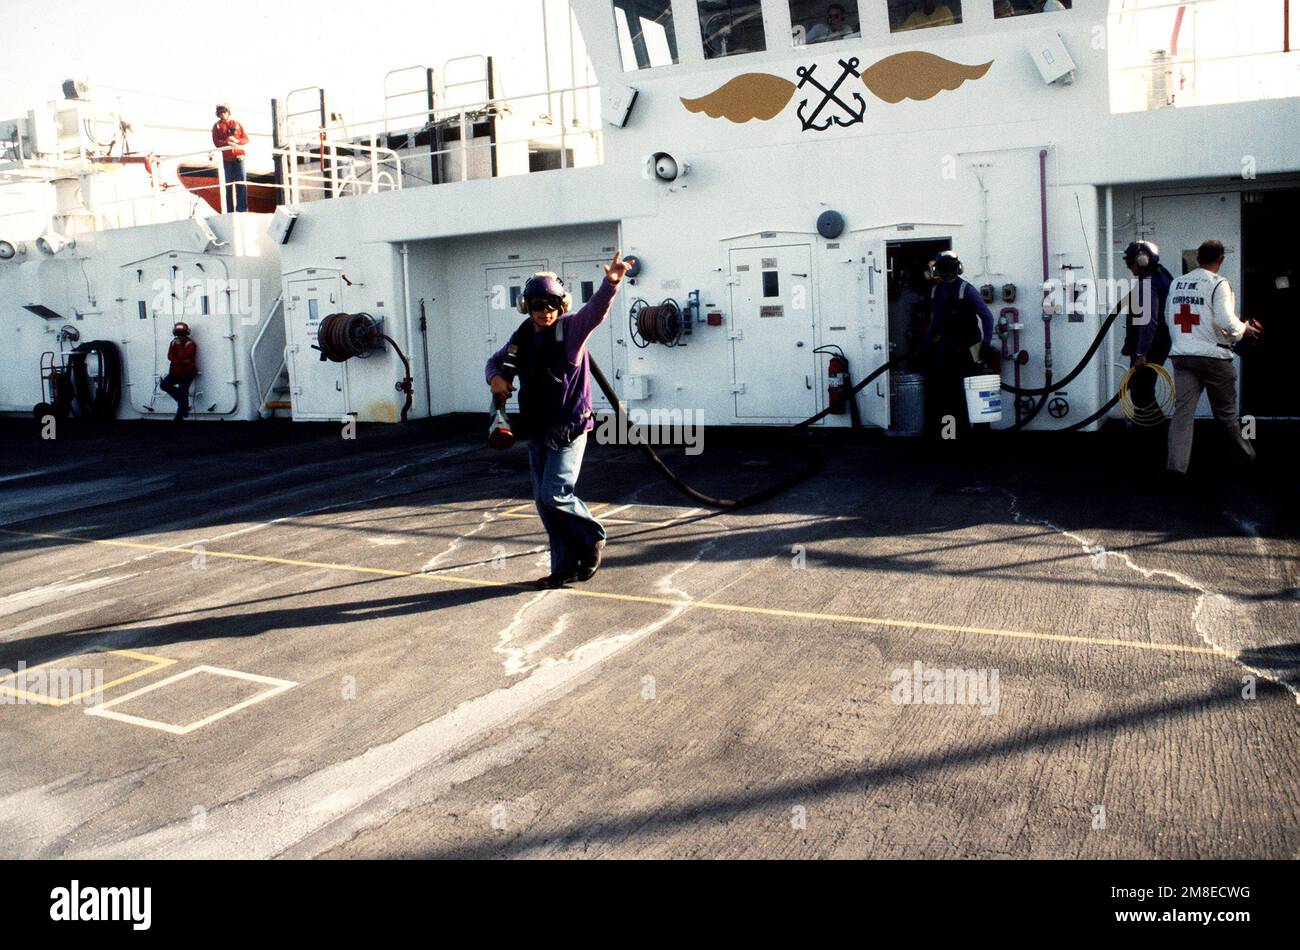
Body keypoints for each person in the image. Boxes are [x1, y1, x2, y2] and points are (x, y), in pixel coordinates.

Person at [486, 250, 631, 589]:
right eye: (537, 305)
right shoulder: (520, 339)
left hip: (570, 429)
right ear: (527, 307)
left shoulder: (572, 332)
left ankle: (593, 537)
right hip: (537, 431)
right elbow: (494, 362)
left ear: (561, 306)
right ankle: (564, 567)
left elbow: (595, 311)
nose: (544, 312)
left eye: (551, 305)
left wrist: (611, 283)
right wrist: (495, 378)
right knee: (543, 503)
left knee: (555, 493)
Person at [1157, 239, 1261, 476]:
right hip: (1214, 357)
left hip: (1182, 356)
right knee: (1226, 413)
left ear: (1197, 258)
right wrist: (1244, 329)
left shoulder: (1177, 283)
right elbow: (1226, 321)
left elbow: (1167, 316)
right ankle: (1248, 456)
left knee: (1182, 414)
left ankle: (1176, 468)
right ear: (1221, 259)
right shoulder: (1218, 283)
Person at [920, 251, 995, 440]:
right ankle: (951, 437)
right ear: (937, 270)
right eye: (943, 269)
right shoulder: (936, 291)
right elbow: (936, 320)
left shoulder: (966, 289)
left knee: (975, 394)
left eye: (951, 268)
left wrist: (985, 344)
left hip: (972, 348)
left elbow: (987, 317)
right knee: (948, 395)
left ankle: (979, 439)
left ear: (957, 268)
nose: (947, 273)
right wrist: (926, 343)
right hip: (947, 348)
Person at [1122, 240, 1174, 419]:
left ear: (1142, 260)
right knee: (1144, 392)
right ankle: (1152, 436)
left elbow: (1148, 321)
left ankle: (1152, 437)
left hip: (1149, 346)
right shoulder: (1164, 275)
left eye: (1130, 261)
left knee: (1141, 395)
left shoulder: (1148, 283)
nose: (1129, 266)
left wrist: (1141, 353)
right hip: (1160, 342)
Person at [211, 104, 249, 213]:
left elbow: (246, 139)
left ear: (228, 112)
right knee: (228, 185)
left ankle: (242, 209)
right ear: (218, 114)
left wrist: (237, 141)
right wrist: (227, 142)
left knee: (241, 183)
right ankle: (230, 210)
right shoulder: (216, 127)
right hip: (227, 159)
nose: (223, 114)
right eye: (221, 112)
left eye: (224, 111)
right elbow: (217, 142)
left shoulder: (237, 124)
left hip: (239, 157)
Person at [160, 322, 198, 421]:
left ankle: (179, 417)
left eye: (181, 335)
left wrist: (179, 347)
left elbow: (184, 356)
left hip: (187, 373)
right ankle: (182, 403)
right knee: (164, 385)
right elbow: (170, 356)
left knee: (183, 392)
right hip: (175, 372)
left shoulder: (190, 344)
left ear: (186, 334)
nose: (179, 336)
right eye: (178, 334)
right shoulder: (173, 342)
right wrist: (180, 361)